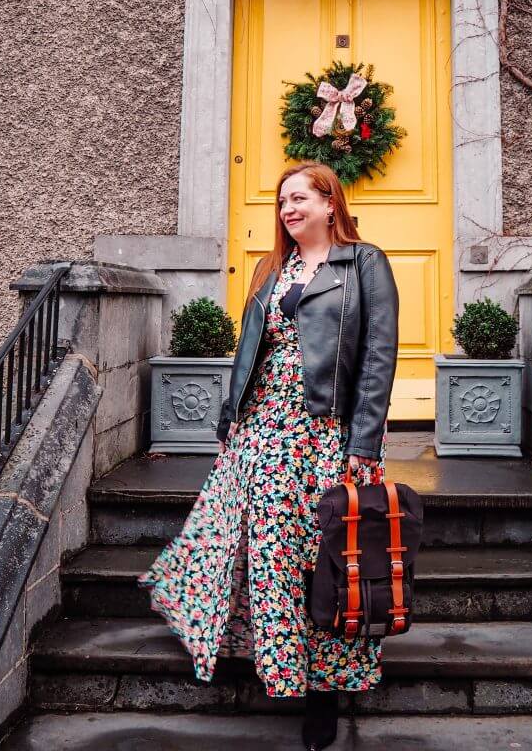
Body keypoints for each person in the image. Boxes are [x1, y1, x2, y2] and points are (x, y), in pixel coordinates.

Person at [137, 160, 400, 750]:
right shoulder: (270, 268)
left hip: (325, 435)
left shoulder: (365, 264)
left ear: (331, 204)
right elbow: (247, 349)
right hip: (262, 433)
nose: (288, 209)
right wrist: (231, 417)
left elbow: (379, 356)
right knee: (269, 556)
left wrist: (362, 443)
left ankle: (326, 691)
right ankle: (284, 671)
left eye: (300, 198)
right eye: (282, 201)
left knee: (327, 560)